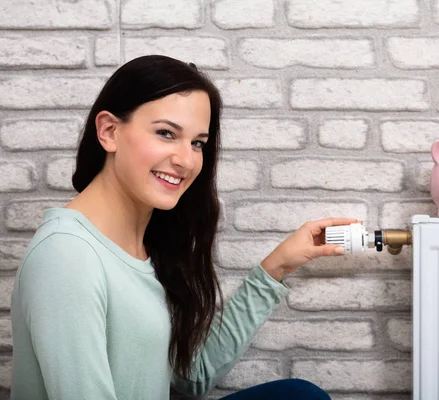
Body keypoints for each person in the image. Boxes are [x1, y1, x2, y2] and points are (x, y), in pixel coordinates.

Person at [10, 55, 355, 400]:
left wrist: (277, 265)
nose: (187, 161)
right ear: (109, 131)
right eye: (165, 133)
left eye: (197, 143)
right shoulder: (67, 257)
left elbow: (192, 376)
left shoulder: (144, 247)